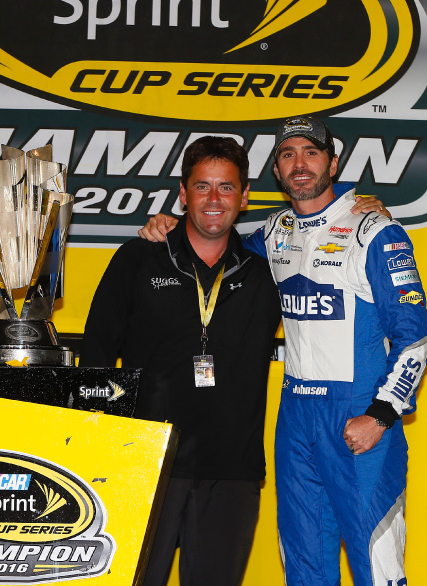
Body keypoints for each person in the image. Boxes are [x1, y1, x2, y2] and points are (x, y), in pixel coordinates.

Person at [139, 116, 427, 585]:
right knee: (303, 563)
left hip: (358, 411)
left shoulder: (375, 232)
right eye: (288, 154)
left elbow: (415, 335)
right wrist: (170, 224)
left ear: (333, 162)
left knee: (376, 562)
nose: (300, 163)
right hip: (296, 419)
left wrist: (381, 414)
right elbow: (216, 247)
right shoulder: (274, 233)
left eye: (312, 153)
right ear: (276, 169)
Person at [80, 136, 283, 586]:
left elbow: (321, 235)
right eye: (203, 186)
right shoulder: (139, 257)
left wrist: (364, 208)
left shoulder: (265, 269)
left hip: (230, 472)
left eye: (226, 187)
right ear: (183, 193)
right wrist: (98, 450)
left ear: (245, 195)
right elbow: (95, 356)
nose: (214, 199)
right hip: (143, 465)